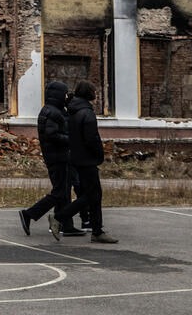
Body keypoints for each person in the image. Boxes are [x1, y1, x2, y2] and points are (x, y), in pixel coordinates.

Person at [17, 80, 85, 240]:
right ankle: (29, 214)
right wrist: (72, 139)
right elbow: (52, 135)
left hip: (59, 156)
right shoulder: (52, 112)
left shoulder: (55, 110)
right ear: (58, 95)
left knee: (65, 191)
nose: (67, 96)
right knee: (60, 191)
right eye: (65, 94)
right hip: (58, 157)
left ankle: (66, 225)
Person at [59, 80, 118, 244]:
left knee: (91, 195)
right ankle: (62, 217)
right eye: (95, 91)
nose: (97, 95)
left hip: (77, 158)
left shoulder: (73, 110)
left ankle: (95, 229)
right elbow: (92, 139)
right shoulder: (87, 113)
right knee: (94, 195)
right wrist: (99, 154)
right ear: (89, 94)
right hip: (87, 160)